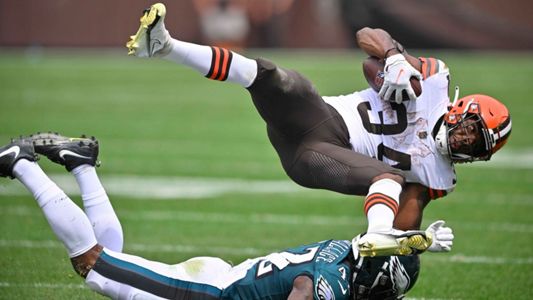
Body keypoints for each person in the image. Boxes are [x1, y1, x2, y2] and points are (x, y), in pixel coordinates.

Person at [126, 3, 511, 256]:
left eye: (477, 145)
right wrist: (393, 57)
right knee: (273, 76)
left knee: (388, 178)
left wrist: (414, 243)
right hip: (317, 118)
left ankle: (372, 237)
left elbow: (406, 219)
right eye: (472, 131)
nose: (466, 142)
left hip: (318, 160)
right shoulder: (431, 80)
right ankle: (164, 45)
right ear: (463, 110)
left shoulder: (439, 176)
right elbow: (366, 37)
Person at [0, 133, 453, 299]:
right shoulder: (332, 280)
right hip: (206, 291)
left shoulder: (348, 261)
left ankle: (80, 164)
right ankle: (21, 162)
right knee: (93, 263)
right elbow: (305, 289)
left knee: (108, 277)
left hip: (227, 278)